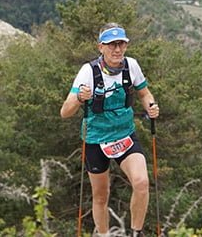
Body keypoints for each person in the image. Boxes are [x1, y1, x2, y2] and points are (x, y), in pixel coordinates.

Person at [61, 23, 159, 237]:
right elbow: (65, 112)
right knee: (100, 196)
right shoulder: (88, 71)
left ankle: (136, 233)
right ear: (101, 47)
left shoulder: (131, 66)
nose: (117, 49)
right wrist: (79, 98)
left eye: (121, 44)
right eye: (112, 44)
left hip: (125, 134)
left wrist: (151, 106)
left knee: (142, 183)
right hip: (96, 139)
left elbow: (144, 94)